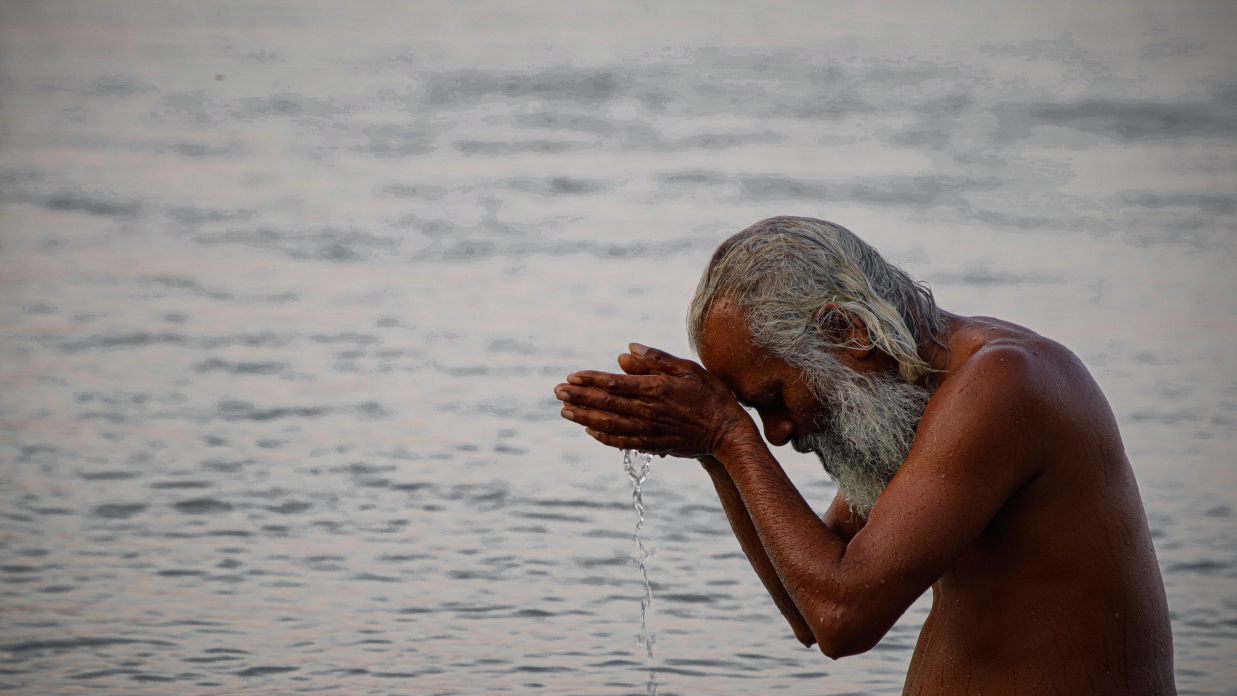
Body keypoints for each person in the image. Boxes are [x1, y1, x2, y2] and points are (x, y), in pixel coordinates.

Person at [554, 216, 1176, 694]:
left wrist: (726, 434)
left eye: (773, 397)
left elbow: (843, 616)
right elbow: (807, 608)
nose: (775, 431)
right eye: (753, 412)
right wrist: (710, 447)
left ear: (845, 331)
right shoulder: (910, 394)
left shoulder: (1004, 383)